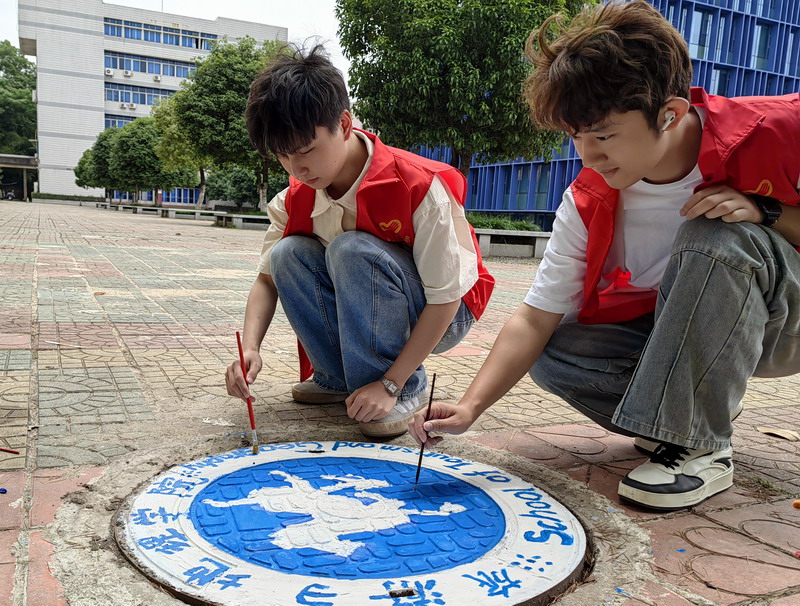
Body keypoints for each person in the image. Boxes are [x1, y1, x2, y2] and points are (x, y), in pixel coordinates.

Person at [410, 0, 800, 511]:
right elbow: (533, 318)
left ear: (670, 114)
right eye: (576, 136)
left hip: (783, 325)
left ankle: (700, 444)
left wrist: (768, 212)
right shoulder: (588, 200)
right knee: (555, 349)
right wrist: (470, 407)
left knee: (714, 233)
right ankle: (682, 419)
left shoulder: (777, 131)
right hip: (686, 333)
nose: (588, 156)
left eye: (603, 135)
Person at [225, 45, 495, 439]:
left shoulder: (416, 185)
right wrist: (250, 348)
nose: (298, 169)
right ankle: (336, 378)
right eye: (283, 156)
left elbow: (446, 298)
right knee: (287, 254)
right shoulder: (294, 199)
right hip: (380, 298)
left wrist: (390, 384)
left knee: (351, 249)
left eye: (306, 151)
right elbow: (267, 281)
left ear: (344, 124)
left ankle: (402, 388)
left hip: (448, 310)